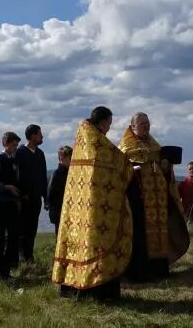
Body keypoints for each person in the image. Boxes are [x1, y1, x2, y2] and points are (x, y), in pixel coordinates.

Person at [52, 106, 132, 301]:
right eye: (109, 125)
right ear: (103, 122)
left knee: (77, 243)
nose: (109, 129)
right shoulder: (96, 141)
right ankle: (98, 290)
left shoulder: (82, 139)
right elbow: (120, 162)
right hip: (95, 207)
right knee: (97, 243)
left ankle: (71, 288)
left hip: (80, 204)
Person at [119, 113, 190, 282]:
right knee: (139, 236)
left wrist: (166, 167)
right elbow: (121, 173)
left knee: (159, 234)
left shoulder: (155, 146)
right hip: (138, 201)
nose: (146, 126)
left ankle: (158, 271)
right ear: (132, 127)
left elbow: (166, 173)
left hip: (158, 202)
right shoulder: (125, 148)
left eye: (148, 123)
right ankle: (138, 273)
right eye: (142, 123)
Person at [0, 131, 21, 280]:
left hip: (12, 203)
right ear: (5, 144)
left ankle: (7, 269)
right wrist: (6, 187)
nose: (15, 148)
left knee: (12, 237)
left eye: (16, 145)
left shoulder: (14, 160)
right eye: (13, 145)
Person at [15, 124, 47, 263]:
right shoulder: (20, 153)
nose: (42, 136)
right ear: (33, 135)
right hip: (24, 199)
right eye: (40, 134)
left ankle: (29, 256)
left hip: (36, 198)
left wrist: (46, 197)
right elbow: (17, 175)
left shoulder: (40, 154)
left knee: (32, 228)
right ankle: (21, 256)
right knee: (22, 228)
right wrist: (22, 194)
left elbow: (43, 176)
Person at [46, 146, 72, 234]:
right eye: (70, 157)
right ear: (62, 158)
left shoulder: (71, 173)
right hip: (59, 212)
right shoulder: (57, 174)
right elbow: (50, 195)